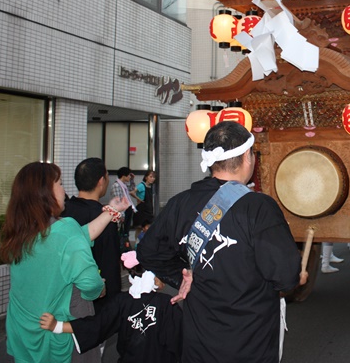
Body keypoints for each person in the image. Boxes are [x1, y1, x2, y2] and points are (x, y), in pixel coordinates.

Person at [137, 121, 304, 363]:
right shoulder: (259, 208)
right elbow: (285, 277)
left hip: (198, 345)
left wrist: (181, 276)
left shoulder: (179, 203)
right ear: (247, 156)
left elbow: (148, 251)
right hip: (250, 344)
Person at [0, 162, 128, 362]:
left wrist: (111, 210)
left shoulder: (20, 231)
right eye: (59, 183)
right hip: (56, 333)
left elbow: (79, 236)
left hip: (22, 331)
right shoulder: (65, 230)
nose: (64, 189)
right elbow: (90, 283)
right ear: (46, 193)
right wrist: (99, 289)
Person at [39, 251, 183, 363]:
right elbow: (181, 339)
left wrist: (57, 326)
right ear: (154, 278)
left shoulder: (122, 301)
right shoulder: (168, 303)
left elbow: (97, 325)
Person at [62, 158, 122, 312]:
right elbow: (110, 264)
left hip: (64, 297)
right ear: (101, 181)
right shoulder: (105, 218)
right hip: (95, 299)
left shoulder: (63, 212)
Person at [112, 167, 138, 248]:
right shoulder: (116, 185)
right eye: (129, 175)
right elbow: (118, 201)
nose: (130, 177)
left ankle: (125, 246)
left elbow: (132, 189)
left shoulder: (123, 185)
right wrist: (121, 214)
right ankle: (121, 247)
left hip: (128, 209)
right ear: (124, 176)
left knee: (126, 231)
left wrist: (132, 180)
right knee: (122, 231)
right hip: (123, 211)